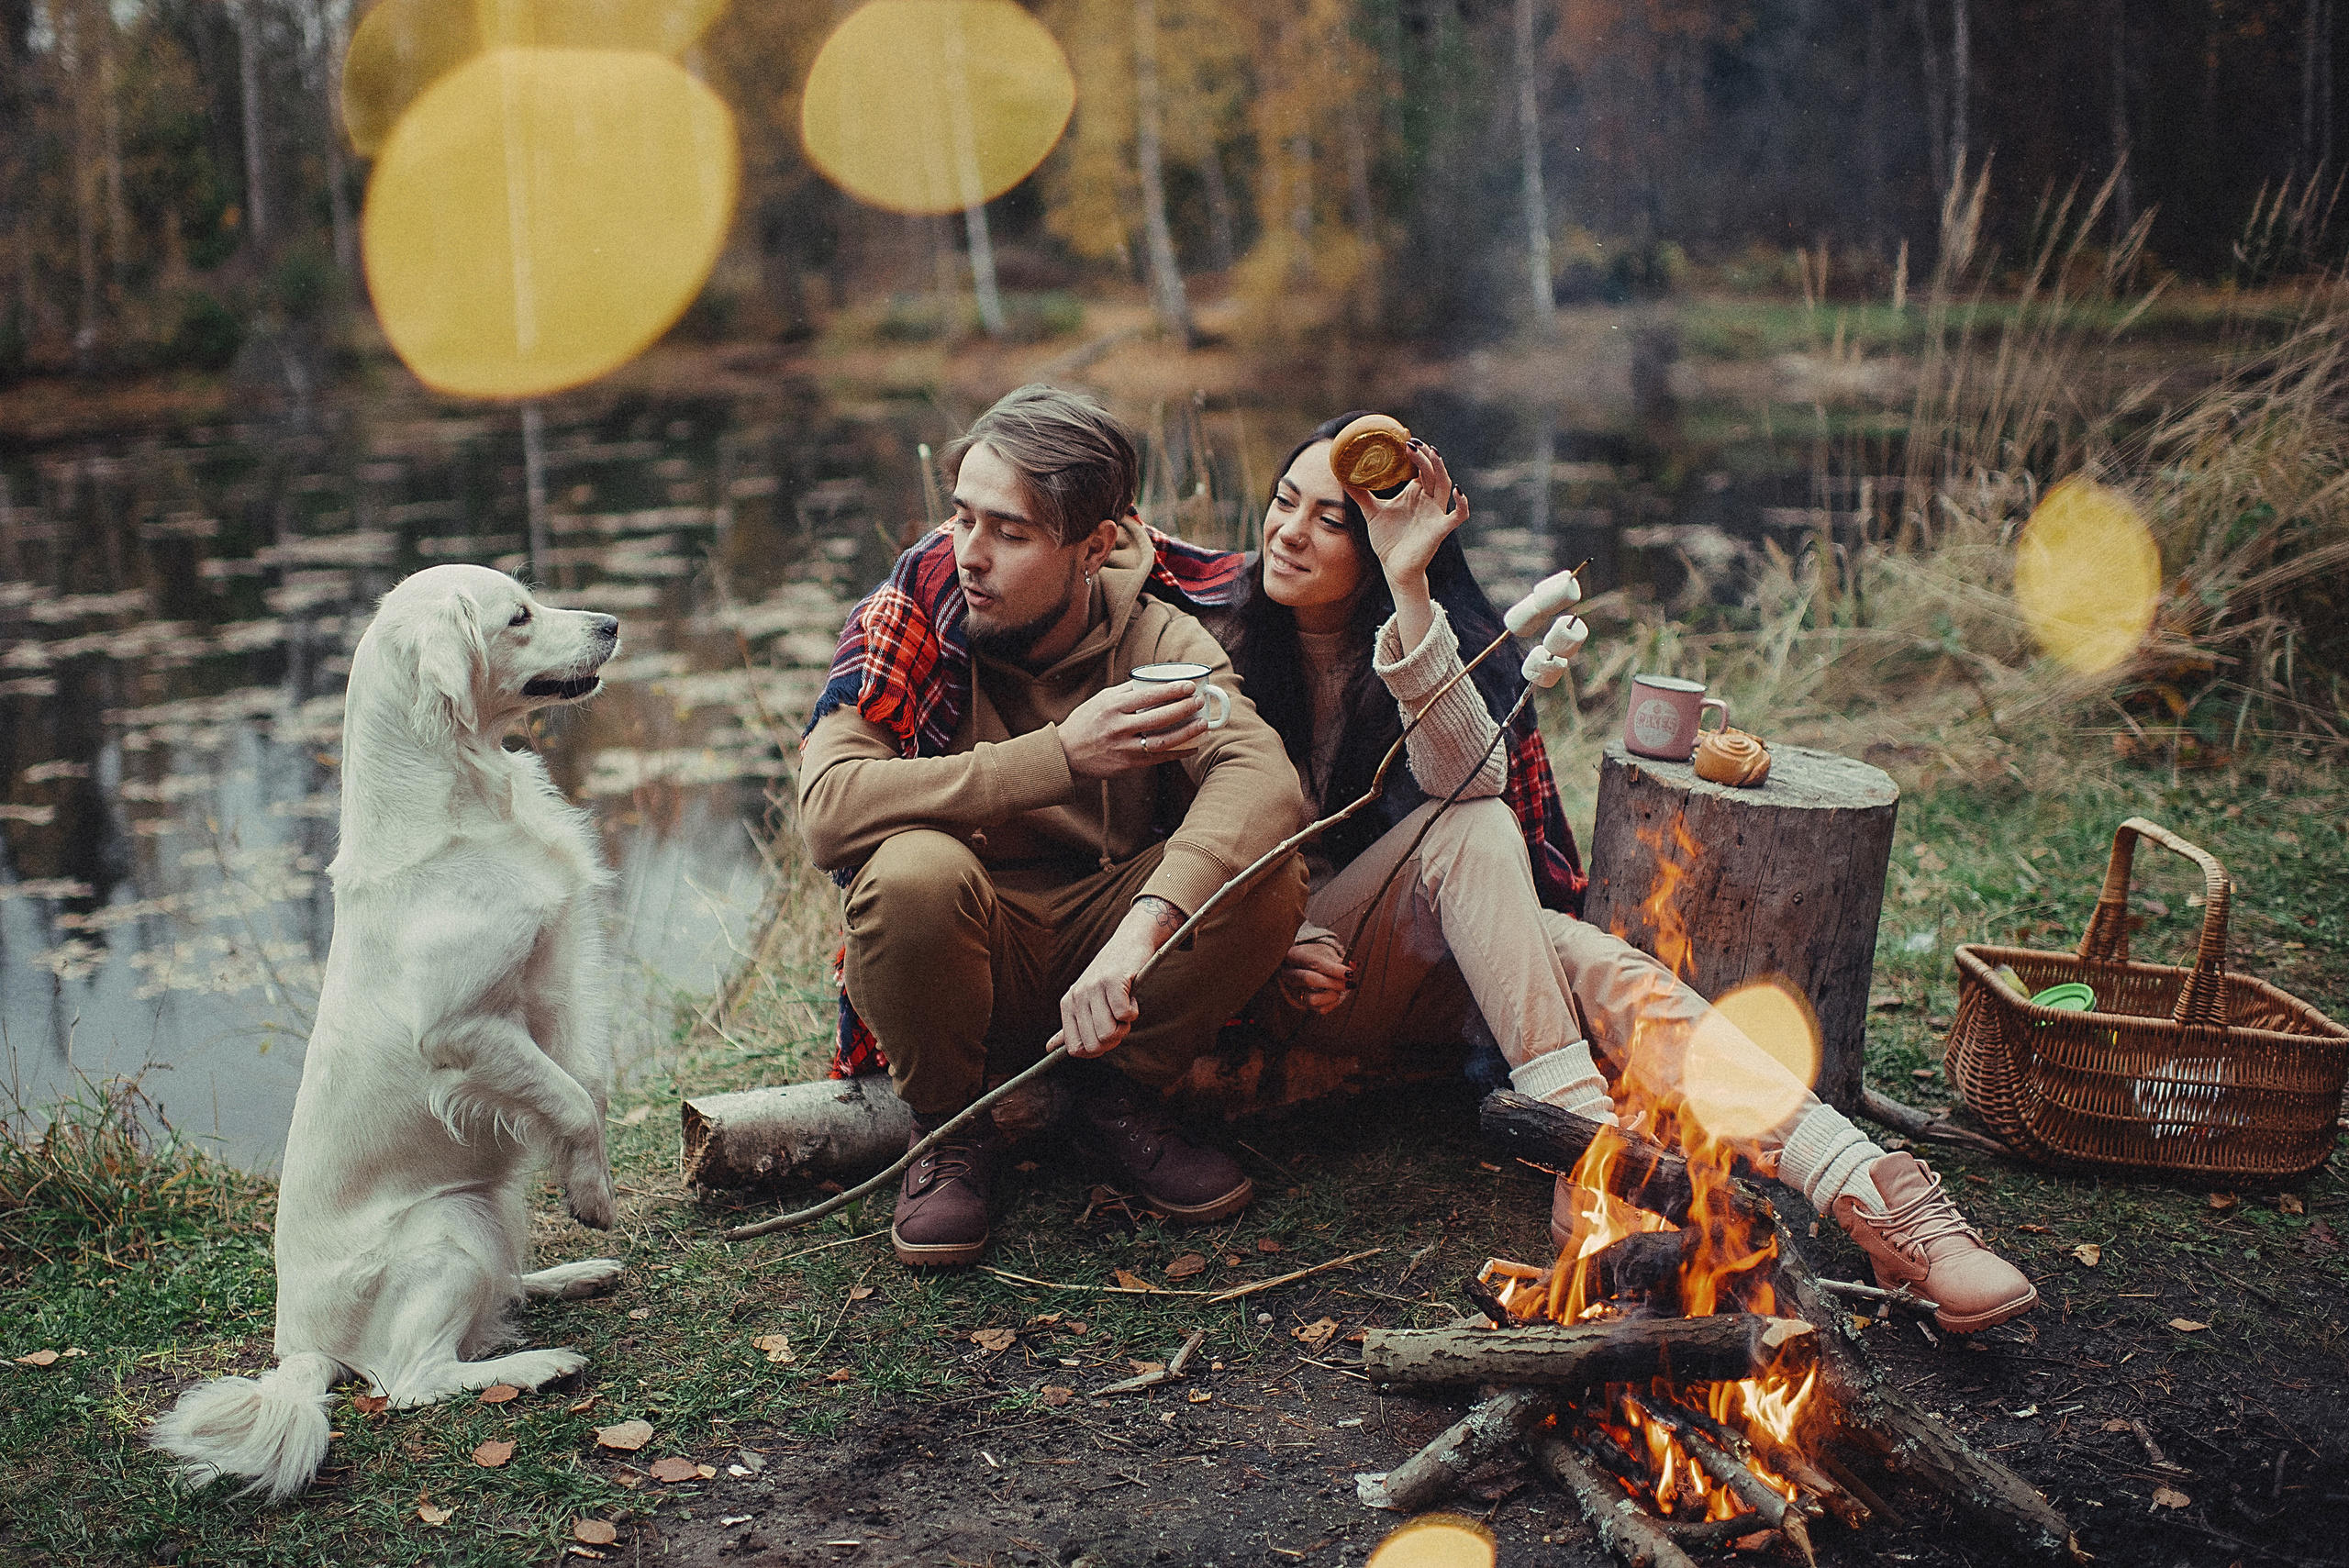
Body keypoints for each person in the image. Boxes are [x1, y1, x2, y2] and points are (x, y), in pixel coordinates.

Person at [1218, 414, 2036, 1333]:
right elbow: (1178, 838)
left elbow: (1467, 774)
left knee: (1591, 956)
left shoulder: (1437, 633)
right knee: (1478, 839)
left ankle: (1862, 1187)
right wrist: (1276, 932)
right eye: (1283, 502)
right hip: (1293, 966)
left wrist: (1408, 586)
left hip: (1424, 962)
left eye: (1330, 520)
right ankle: (1599, 1144)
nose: (1287, 529)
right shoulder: (1213, 640)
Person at [798, 384, 1309, 1268]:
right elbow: (827, 811)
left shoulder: (1156, 637)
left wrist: (1142, 931)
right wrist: (1059, 755)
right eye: (962, 519)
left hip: (1108, 973)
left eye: (1011, 532)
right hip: (960, 953)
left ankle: (1110, 1099)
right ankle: (950, 1128)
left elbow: (1263, 780)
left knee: (1266, 872)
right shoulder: (917, 614)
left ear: (1093, 547)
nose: (969, 555)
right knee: (911, 870)